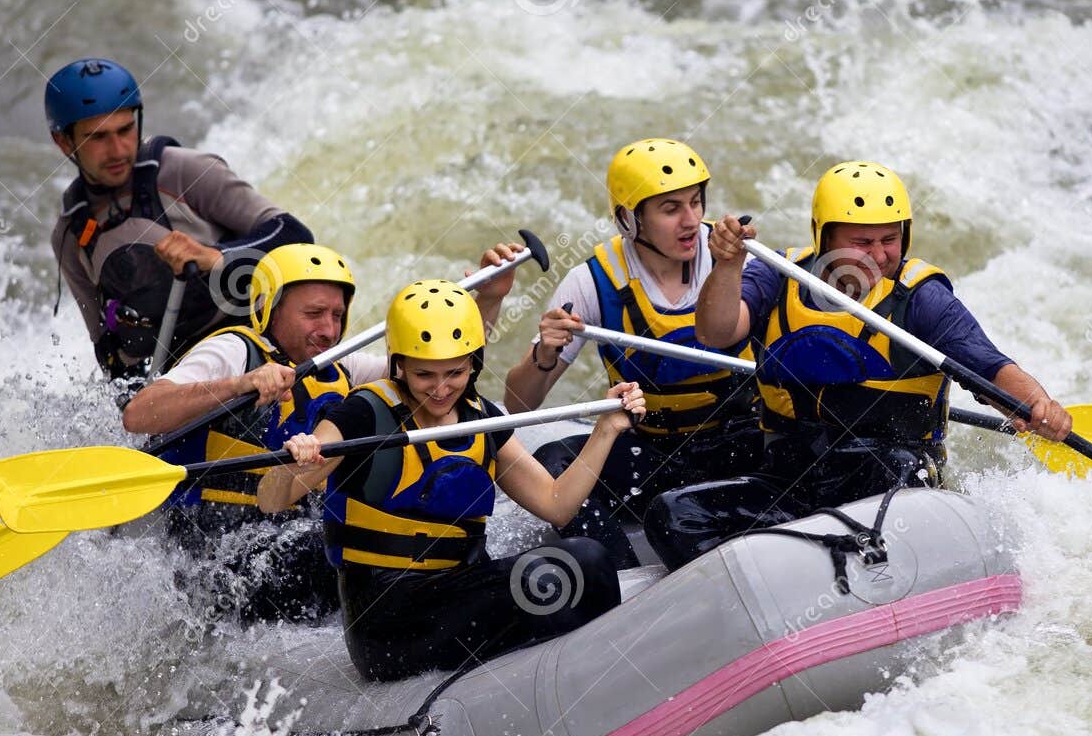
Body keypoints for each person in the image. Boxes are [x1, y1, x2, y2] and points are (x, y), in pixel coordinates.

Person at [644, 160, 1073, 569]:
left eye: (889, 239)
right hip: (791, 480)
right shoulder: (778, 275)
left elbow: (987, 365)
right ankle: (776, 582)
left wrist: (1037, 402)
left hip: (891, 484)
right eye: (862, 242)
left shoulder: (920, 297)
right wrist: (728, 265)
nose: (879, 255)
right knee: (673, 514)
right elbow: (715, 333)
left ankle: (836, 566)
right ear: (824, 237)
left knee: (893, 468)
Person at [259, 280, 645, 681]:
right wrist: (298, 464)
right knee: (581, 562)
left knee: (586, 560)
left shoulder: (482, 417)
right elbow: (271, 499)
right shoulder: (364, 414)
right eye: (425, 374)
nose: (441, 389)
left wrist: (607, 429)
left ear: (474, 363)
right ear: (399, 364)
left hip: (458, 590)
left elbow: (556, 504)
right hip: (389, 619)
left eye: (455, 373)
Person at [124, 241, 526, 622]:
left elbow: (437, 370)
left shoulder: (340, 366)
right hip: (218, 546)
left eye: (336, 315)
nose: (329, 330)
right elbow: (139, 414)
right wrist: (240, 384)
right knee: (341, 552)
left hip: (292, 531)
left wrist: (488, 300)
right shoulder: (233, 351)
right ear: (269, 309)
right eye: (314, 314)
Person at [503, 138, 759, 568]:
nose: (691, 220)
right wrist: (545, 353)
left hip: (740, 447)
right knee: (551, 463)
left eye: (696, 202)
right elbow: (518, 404)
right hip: (655, 455)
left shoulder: (736, 261)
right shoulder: (591, 281)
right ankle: (621, 577)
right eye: (671, 208)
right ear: (628, 219)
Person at [46, 58, 314, 380]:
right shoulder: (72, 234)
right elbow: (108, 351)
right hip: (182, 383)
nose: (118, 150)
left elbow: (295, 235)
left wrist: (216, 258)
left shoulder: (186, 172)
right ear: (64, 142)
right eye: (98, 138)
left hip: (256, 351)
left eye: (125, 129)